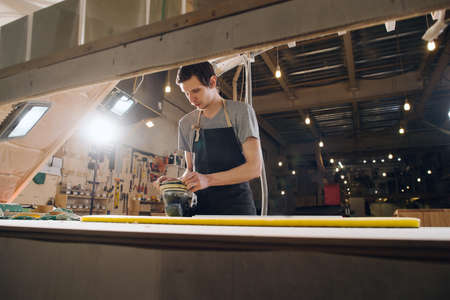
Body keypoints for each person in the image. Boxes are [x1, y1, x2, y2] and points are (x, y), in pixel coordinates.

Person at [158, 62, 262, 215]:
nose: (191, 99)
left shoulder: (240, 112)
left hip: (238, 211)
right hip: (202, 210)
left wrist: (208, 179)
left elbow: (254, 168)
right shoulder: (186, 124)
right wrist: (177, 183)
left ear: (212, 82)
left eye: (196, 91)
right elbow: (191, 170)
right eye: (186, 93)